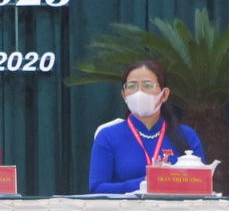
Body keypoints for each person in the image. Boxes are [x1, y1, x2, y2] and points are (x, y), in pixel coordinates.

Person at [87, 60, 205, 194]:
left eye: (147, 85)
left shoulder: (186, 135)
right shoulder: (108, 136)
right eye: (132, 86)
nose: (139, 93)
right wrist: (146, 182)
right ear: (124, 95)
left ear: (164, 94)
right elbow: (97, 188)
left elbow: (202, 184)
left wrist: (168, 179)